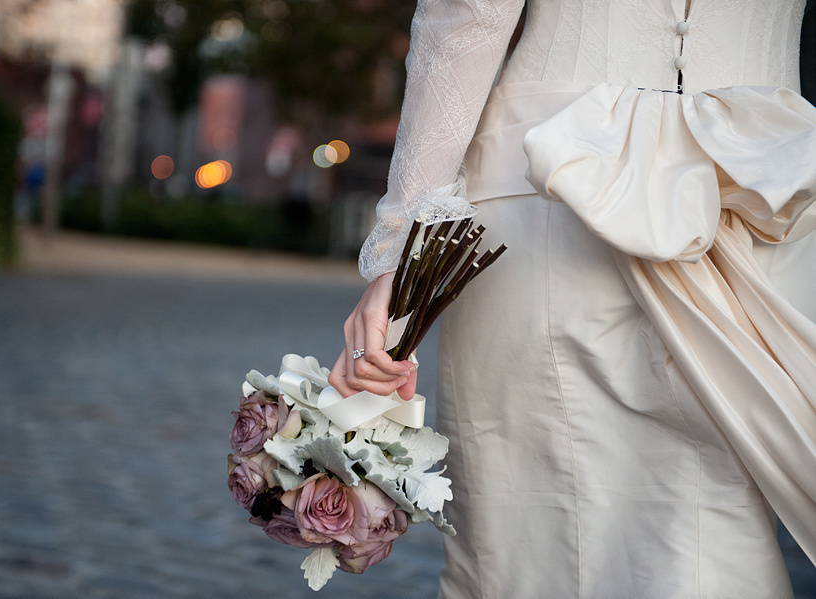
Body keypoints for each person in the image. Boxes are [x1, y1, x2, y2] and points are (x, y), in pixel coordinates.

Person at [329, 0, 816, 597]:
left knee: (531, 554)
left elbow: (470, 15)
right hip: (755, 186)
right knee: (711, 540)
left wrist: (405, 249)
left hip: (562, 189)